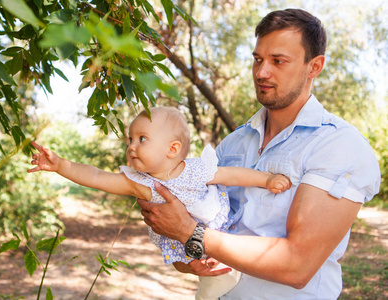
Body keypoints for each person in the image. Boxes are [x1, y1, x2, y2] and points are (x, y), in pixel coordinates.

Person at [137, 8, 381, 299]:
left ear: (314, 66)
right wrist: (185, 251)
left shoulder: (338, 145)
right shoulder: (232, 144)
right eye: (258, 59)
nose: (261, 72)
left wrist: (190, 231)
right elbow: (187, 240)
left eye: (278, 61)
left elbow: (297, 266)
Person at [27, 106, 291, 300]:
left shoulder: (196, 169)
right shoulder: (139, 182)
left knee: (223, 279)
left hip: (220, 234)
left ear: (173, 149)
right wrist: (60, 165)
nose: (131, 146)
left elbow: (233, 175)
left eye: (142, 139)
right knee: (205, 281)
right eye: (130, 139)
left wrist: (266, 180)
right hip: (188, 249)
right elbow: (97, 177)